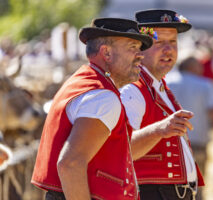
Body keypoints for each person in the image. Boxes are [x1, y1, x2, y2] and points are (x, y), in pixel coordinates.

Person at [31, 18, 153, 200]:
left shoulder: (83, 82)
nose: (140, 55)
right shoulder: (103, 97)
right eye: (132, 47)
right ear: (107, 53)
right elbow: (70, 164)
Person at [120, 9, 204, 200]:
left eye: (173, 42)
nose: (168, 50)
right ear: (140, 48)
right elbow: (121, 149)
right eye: (159, 42)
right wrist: (160, 130)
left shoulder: (158, 85)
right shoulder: (132, 89)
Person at [166, 56, 213, 177]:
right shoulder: (205, 85)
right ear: (193, 67)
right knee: (197, 186)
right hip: (198, 144)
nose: (202, 69)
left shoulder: (166, 83)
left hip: (171, 146)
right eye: (199, 66)